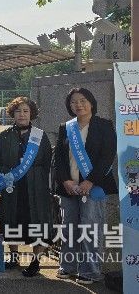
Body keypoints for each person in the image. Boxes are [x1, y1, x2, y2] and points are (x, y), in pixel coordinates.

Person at [54, 87, 117, 285]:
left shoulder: (104, 125)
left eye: (82, 100)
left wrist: (90, 181)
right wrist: (65, 180)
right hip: (69, 188)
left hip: (94, 187)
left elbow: (107, 157)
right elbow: (59, 159)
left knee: (90, 228)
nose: (78, 105)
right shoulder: (65, 127)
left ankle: (90, 271)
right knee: (68, 228)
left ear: (91, 103)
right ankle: (68, 266)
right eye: (73, 102)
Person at [0, 97, 53, 277]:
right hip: (12, 187)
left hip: (36, 186)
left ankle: (35, 261)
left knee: (38, 221)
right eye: (18, 111)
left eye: (26, 111)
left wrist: (37, 178)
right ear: (12, 114)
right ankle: (14, 256)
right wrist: (6, 176)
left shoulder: (40, 136)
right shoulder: (4, 136)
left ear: (31, 113)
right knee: (12, 219)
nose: (22, 114)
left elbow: (47, 162)